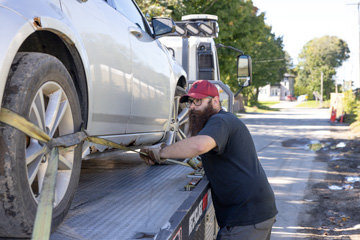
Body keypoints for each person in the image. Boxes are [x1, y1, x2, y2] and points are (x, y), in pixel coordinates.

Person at [140, 80, 278, 240]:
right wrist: (163, 159)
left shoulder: (220, 121)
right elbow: (196, 154)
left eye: (198, 101)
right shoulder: (221, 122)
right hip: (255, 212)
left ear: (215, 101)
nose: (192, 107)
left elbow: (199, 145)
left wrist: (161, 152)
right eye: (190, 102)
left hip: (246, 218)